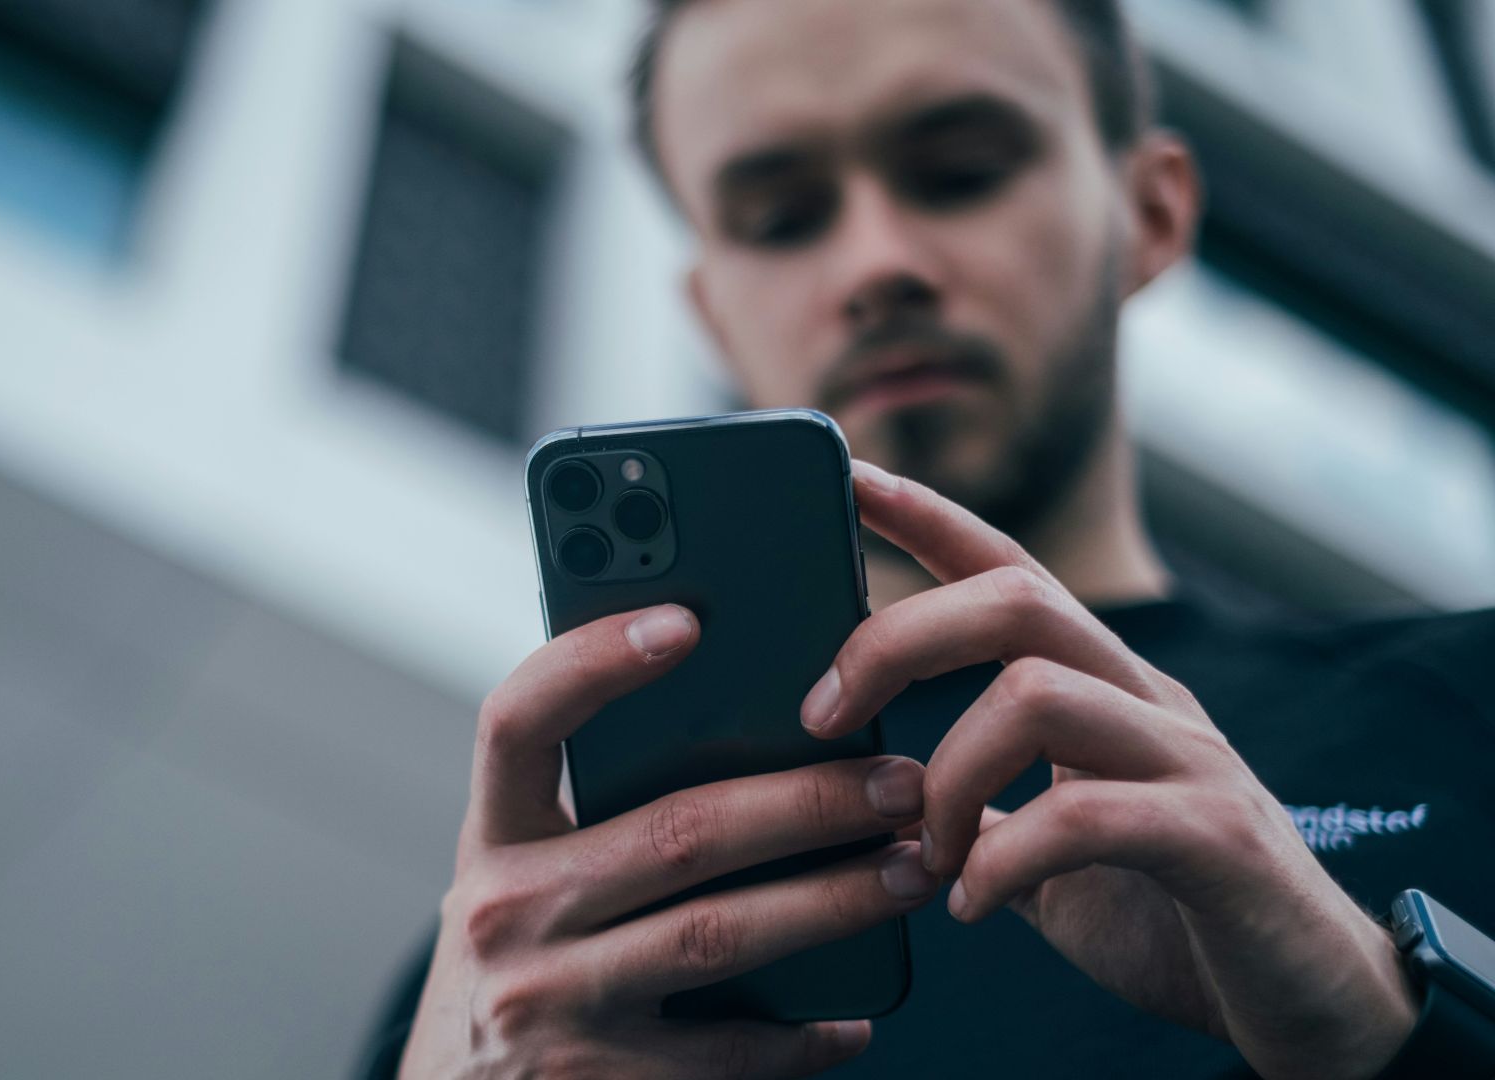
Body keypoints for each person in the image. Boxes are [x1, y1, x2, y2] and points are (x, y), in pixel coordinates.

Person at [357, 1, 1495, 1076]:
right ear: (714, 313)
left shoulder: (1467, 703)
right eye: (783, 219)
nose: (876, 265)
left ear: (1146, 213)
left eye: (961, 174)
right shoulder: (527, 965)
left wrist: (1387, 1024)